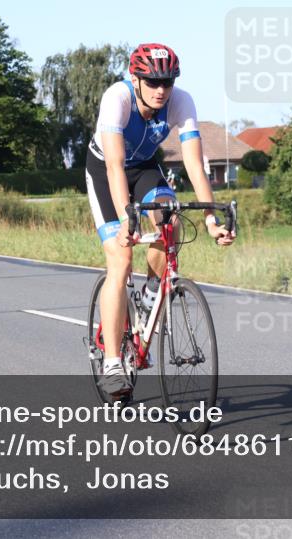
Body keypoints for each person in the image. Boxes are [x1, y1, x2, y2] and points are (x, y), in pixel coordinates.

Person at [85, 43, 235, 399]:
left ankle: (153, 292)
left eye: (167, 82)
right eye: (152, 82)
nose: (160, 89)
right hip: (106, 172)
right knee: (121, 258)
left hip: (145, 169)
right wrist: (128, 219)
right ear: (135, 79)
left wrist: (211, 219)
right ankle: (112, 363)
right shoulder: (117, 98)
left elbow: (195, 165)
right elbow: (114, 166)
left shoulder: (181, 101)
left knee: (171, 220)